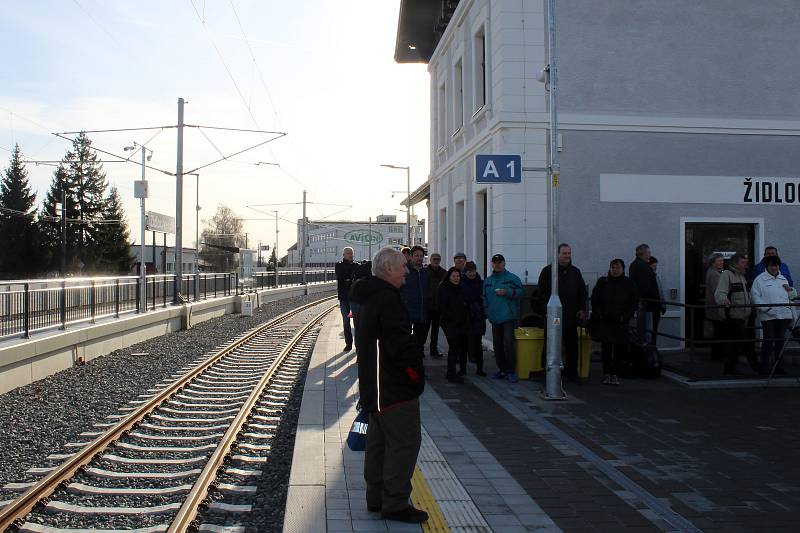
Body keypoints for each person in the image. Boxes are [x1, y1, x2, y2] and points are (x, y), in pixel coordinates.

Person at [352, 247, 428, 524]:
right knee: (404, 443)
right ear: (387, 270)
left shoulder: (366, 297)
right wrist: (416, 376)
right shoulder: (388, 301)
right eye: (402, 267)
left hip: (374, 386)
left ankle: (376, 498)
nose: (407, 271)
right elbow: (400, 347)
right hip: (394, 388)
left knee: (379, 444)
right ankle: (395, 503)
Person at [535, 243, 588, 382]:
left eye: (569, 253)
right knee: (551, 344)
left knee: (572, 345)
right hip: (553, 316)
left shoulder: (575, 272)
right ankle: (548, 371)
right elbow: (541, 294)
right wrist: (545, 310)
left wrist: (582, 309)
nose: (567, 256)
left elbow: (582, 293)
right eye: (564, 253)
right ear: (557, 254)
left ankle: (571, 372)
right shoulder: (548, 272)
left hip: (570, 315)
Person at [589, 259, 638, 386]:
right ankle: (606, 373)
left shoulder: (628, 283)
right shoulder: (603, 282)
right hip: (605, 321)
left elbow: (633, 302)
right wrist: (599, 313)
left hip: (620, 322)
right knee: (606, 348)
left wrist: (625, 316)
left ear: (622, 269)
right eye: (613, 267)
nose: (615, 270)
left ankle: (615, 373)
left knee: (619, 349)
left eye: (617, 267)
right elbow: (595, 299)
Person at [751, 255, 797, 375]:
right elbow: (755, 297)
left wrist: (791, 290)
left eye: (776, 265)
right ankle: (765, 366)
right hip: (768, 316)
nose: (774, 268)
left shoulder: (783, 279)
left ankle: (778, 366)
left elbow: (792, 297)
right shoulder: (759, 280)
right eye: (772, 265)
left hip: (784, 316)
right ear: (767, 266)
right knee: (769, 340)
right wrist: (767, 309)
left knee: (780, 342)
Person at [483, 254, 524, 383]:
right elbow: (484, 298)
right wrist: (487, 311)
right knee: (498, 345)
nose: (497, 264)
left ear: (504, 263)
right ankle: (502, 370)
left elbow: (521, 293)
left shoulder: (512, 278)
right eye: (495, 262)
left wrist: (507, 292)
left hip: (508, 317)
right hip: (494, 318)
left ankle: (511, 371)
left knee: (508, 344)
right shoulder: (488, 281)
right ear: (492, 264)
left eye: (500, 262)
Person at [714, 253, 754, 375]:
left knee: (735, 345)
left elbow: (747, 295)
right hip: (733, 316)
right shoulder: (727, 275)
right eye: (743, 263)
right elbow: (720, 292)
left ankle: (729, 369)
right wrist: (724, 300)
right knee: (746, 343)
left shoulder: (742, 276)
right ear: (735, 263)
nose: (746, 265)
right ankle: (758, 367)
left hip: (743, 316)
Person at [438, 267, 470, 383]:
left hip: (461, 322)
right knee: (453, 347)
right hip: (449, 322)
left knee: (459, 347)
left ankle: (457, 371)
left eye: (458, 276)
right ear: (449, 277)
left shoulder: (461, 288)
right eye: (454, 276)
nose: (456, 278)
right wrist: (451, 317)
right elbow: (442, 306)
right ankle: (451, 373)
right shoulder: (444, 287)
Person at [400, 245, 430, 357]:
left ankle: (418, 367)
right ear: (411, 257)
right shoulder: (404, 271)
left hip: (422, 311)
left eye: (421, 256)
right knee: (406, 341)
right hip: (407, 311)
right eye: (416, 255)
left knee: (420, 342)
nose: (419, 258)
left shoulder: (426, 273)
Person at [629, 244, 662, 343]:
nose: (649, 255)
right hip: (648, 306)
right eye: (648, 253)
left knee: (645, 331)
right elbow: (646, 287)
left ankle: (648, 352)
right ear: (642, 254)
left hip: (644, 305)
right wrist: (656, 301)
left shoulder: (635, 265)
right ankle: (648, 354)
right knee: (647, 332)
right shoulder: (642, 266)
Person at [462, 261, 487, 376]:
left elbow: (484, 298)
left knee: (477, 343)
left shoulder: (481, 283)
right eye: (468, 271)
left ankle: (479, 368)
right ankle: (463, 368)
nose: (471, 273)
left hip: (478, 316)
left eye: (472, 271)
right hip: (466, 316)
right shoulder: (461, 282)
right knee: (464, 343)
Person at [704, 253, 726, 362]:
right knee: (719, 333)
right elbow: (717, 291)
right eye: (719, 261)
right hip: (717, 308)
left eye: (722, 260)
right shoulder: (714, 274)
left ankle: (718, 355)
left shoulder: (715, 272)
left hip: (716, 308)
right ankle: (717, 356)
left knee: (719, 332)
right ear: (713, 263)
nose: (722, 262)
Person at [335, 247, 357, 352]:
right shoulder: (339, 265)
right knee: (346, 321)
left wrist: (349, 278)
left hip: (354, 298)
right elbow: (341, 276)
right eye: (348, 253)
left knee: (357, 322)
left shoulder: (357, 265)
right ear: (343, 255)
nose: (350, 255)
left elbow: (354, 278)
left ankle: (358, 347)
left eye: (352, 253)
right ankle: (348, 344)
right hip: (344, 298)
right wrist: (350, 278)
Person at [425, 253, 447, 358]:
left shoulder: (444, 273)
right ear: (430, 260)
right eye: (434, 259)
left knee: (435, 331)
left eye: (438, 259)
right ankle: (420, 350)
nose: (436, 261)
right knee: (424, 330)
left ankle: (433, 350)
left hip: (438, 306)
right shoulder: (425, 272)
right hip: (427, 306)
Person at [648, 256, 668, 346]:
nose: (655, 268)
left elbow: (660, 292)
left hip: (657, 307)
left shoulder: (656, 276)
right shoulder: (651, 277)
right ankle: (651, 349)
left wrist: (663, 306)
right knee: (651, 330)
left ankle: (653, 348)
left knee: (654, 330)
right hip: (653, 307)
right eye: (653, 266)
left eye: (656, 266)